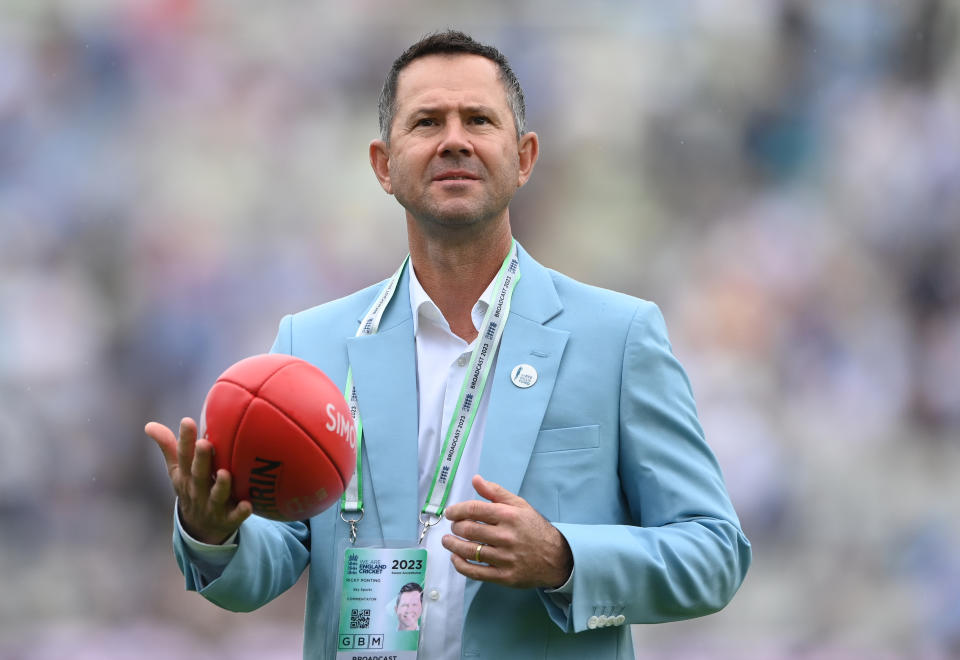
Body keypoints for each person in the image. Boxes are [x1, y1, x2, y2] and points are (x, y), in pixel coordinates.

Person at [145, 30, 751, 660]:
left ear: (524, 157)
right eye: (427, 121)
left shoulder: (619, 336)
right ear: (384, 164)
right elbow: (273, 557)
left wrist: (564, 556)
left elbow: (714, 553)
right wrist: (213, 534)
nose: (454, 139)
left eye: (479, 119)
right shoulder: (312, 341)